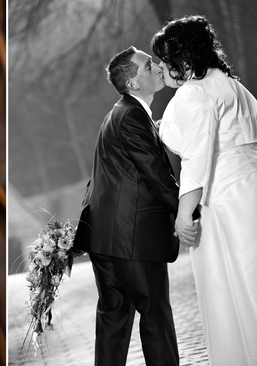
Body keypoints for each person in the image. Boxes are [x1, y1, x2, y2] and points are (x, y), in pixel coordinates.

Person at [73, 46, 198, 366]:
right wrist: (190, 212)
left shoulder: (117, 114)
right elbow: (155, 175)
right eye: (148, 66)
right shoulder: (131, 117)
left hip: (104, 239)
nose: (158, 68)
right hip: (133, 240)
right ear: (132, 84)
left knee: (114, 321)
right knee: (155, 315)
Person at [151, 15, 257, 366]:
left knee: (235, 286)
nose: (162, 67)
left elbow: (197, 159)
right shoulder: (231, 84)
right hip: (250, 185)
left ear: (183, 58)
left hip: (225, 200)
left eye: (165, 59)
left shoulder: (193, 94)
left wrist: (183, 216)